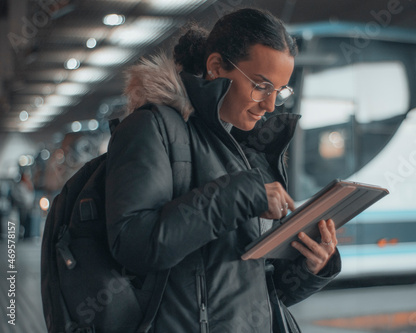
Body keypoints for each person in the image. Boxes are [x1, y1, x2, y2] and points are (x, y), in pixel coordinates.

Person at [106, 8, 341, 332]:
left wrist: (311, 268)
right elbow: (135, 245)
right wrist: (244, 194)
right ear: (216, 67)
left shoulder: (245, 147)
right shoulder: (151, 129)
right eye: (261, 86)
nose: (271, 105)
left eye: (280, 91)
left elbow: (256, 292)